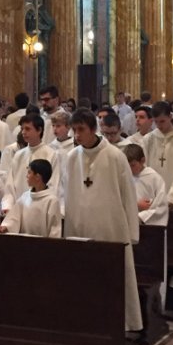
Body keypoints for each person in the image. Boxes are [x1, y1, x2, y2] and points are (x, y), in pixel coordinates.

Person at [62, 109, 143, 333]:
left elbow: (128, 195)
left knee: (112, 278)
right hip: (79, 227)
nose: (77, 136)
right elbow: (65, 192)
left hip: (111, 228)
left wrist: (132, 233)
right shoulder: (71, 157)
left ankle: (121, 323)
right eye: (74, 130)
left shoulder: (116, 156)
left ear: (93, 129)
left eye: (81, 130)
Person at [2, 112, 61, 214]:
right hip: (18, 210)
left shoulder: (50, 154)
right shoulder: (18, 155)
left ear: (39, 130)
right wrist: (8, 206)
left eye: (28, 129)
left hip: (40, 210)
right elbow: (10, 185)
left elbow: (53, 185)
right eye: (22, 129)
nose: (23, 132)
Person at [0, 158, 62, 237]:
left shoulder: (51, 200)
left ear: (37, 177)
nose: (27, 176)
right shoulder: (25, 197)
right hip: (24, 243)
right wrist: (6, 227)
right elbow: (14, 217)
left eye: (29, 173)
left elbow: (54, 229)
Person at [123, 143, 168, 225]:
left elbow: (161, 207)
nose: (129, 169)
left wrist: (141, 216)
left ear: (142, 161)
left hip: (147, 224)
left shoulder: (154, 178)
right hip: (125, 223)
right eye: (126, 165)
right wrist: (136, 205)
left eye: (132, 165)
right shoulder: (122, 177)